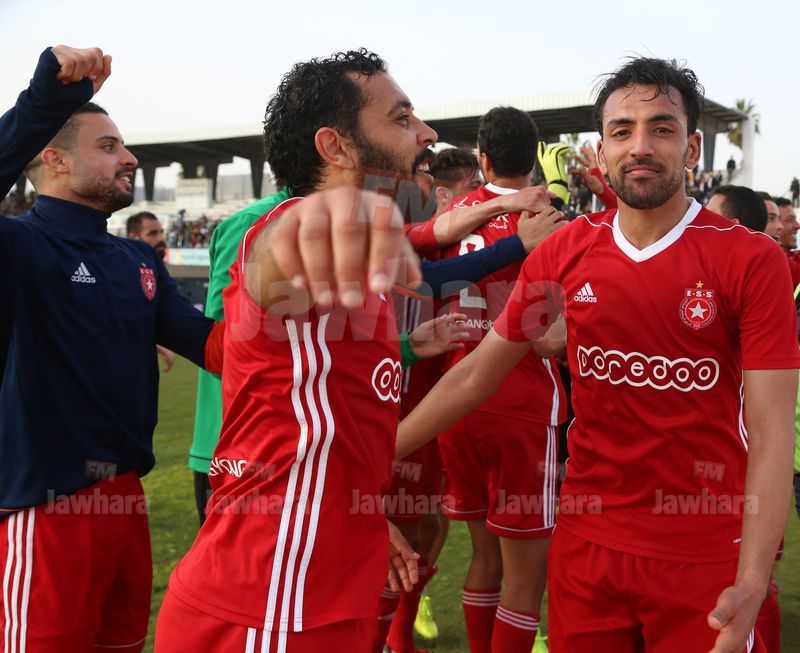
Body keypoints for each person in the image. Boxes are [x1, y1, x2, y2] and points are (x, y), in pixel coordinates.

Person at [396, 57, 800, 653]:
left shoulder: (751, 260)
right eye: (622, 131)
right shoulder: (564, 251)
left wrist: (752, 576)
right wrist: (374, 455)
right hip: (587, 546)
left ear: (691, 148)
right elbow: (477, 375)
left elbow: (771, 432)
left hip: (706, 550)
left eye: (662, 129)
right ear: (602, 151)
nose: (640, 146)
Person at [154, 48, 442, 652]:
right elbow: (276, 256)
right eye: (401, 118)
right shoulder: (284, 230)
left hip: (322, 591)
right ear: (336, 147)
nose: (426, 133)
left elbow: (340, 431)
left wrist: (358, 514)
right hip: (265, 606)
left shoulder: (364, 266)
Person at [0, 46, 223, 652]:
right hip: (45, 506)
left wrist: (305, 316)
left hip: (126, 497)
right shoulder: (19, 245)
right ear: (53, 159)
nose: (130, 158)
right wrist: (42, 102)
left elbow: (213, 347)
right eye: (108, 147)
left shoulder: (135, 257)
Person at [190, 187, 290, 524]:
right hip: (238, 449)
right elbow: (223, 340)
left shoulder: (340, 223)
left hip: (297, 446)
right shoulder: (251, 221)